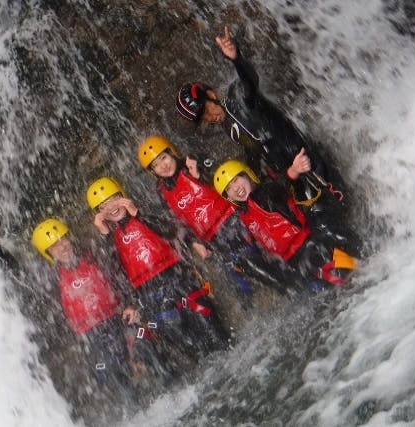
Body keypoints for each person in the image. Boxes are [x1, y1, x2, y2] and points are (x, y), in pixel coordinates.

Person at [175, 25, 345, 211]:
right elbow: (254, 149)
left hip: (307, 159)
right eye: (203, 119)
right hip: (292, 174)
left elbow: (250, 82)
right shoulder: (227, 126)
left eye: (206, 111)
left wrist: (236, 59)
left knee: (341, 203)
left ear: (211, 95)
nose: (209, 118)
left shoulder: (236, 96)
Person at [0, 219, 145, 394]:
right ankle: (136, 404)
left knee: (135, 351)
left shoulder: (94, 254)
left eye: (63, 240)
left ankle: (146, 377)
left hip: (118, 321)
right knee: (104, 373)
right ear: (48, 253)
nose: (62, 247)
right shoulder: (51, 276)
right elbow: (18, 273)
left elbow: (119, 274)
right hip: (90, 337)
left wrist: (130, 303)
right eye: (55, 246)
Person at [138, 135, 307, 298]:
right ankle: (291, 289)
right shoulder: (161, 191)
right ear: (153, 171)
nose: (163, 166)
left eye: (164, 158)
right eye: (156, 165)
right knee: (245, 274)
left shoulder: (193, 162)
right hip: (214, 239)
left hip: (235, 219)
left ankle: (295, 285)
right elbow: (177, 222)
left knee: (260, 257)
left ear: (172, 152)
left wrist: (200, 175)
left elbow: (228, 180)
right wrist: (196, 243)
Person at [86, 176, 229, 368]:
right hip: (151, 296)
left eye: (114, 199)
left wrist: (138, 214)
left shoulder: (145, 211)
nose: (111, 207)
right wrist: (104, 235)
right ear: (99, 215)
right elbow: (113, 272)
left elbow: (171, 230)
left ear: (123, 195)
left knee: (214, 333)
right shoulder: (107, 242)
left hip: (178, 278)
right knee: (194, 349)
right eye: (103, 206)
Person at [213, 149, 358, 287]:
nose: (235, 188)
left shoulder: (266, 192)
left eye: (236, 180)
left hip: (312, 244)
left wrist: (294, 170)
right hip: (297, 265)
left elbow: (281, 185)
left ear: (247, 175)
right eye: (229, 188)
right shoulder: (244, 217)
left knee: (351, 269)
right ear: (229, 197)